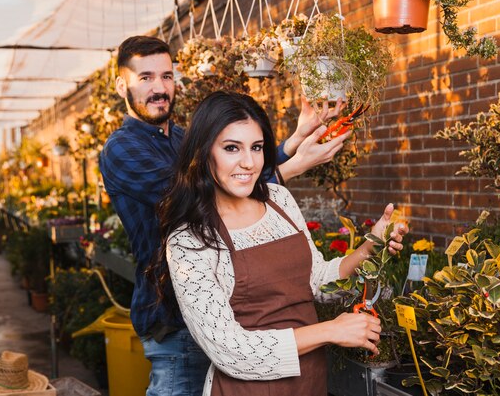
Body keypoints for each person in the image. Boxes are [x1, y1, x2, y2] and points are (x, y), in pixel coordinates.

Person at [99, 35, 353, 396]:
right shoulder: (122, 148)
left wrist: (293, 140)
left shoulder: (182, 138)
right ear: (121, 84)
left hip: (232, 312)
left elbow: (238, 171)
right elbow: (198, 194)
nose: (160, 88)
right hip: (177, 322)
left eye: (167, 76)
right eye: (146, 78)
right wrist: (295, 166)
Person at [156, 91, 409, 396]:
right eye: (231, 148)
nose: (248, 162)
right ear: (204, 152)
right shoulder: (189, 240)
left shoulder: (278, 200)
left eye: (257, 147)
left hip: (310, 382)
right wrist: (331, 330)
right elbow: (231, 351)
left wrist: (370, 246)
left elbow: (316, 281)